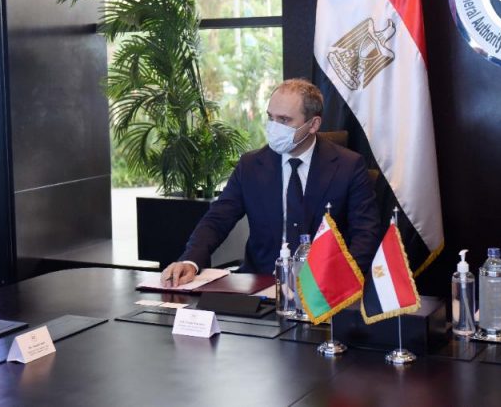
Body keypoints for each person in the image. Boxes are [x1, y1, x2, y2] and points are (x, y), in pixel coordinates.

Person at [162, 79, 381, 286]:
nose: (274, 127)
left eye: (284, 120)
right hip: (261, 283)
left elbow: (366, 233)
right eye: (271, 117)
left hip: (324, 288)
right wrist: (190, 260)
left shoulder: (348, 166)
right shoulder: (250, 166)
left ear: (313, 124)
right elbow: (217, 219)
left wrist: (341, 282)